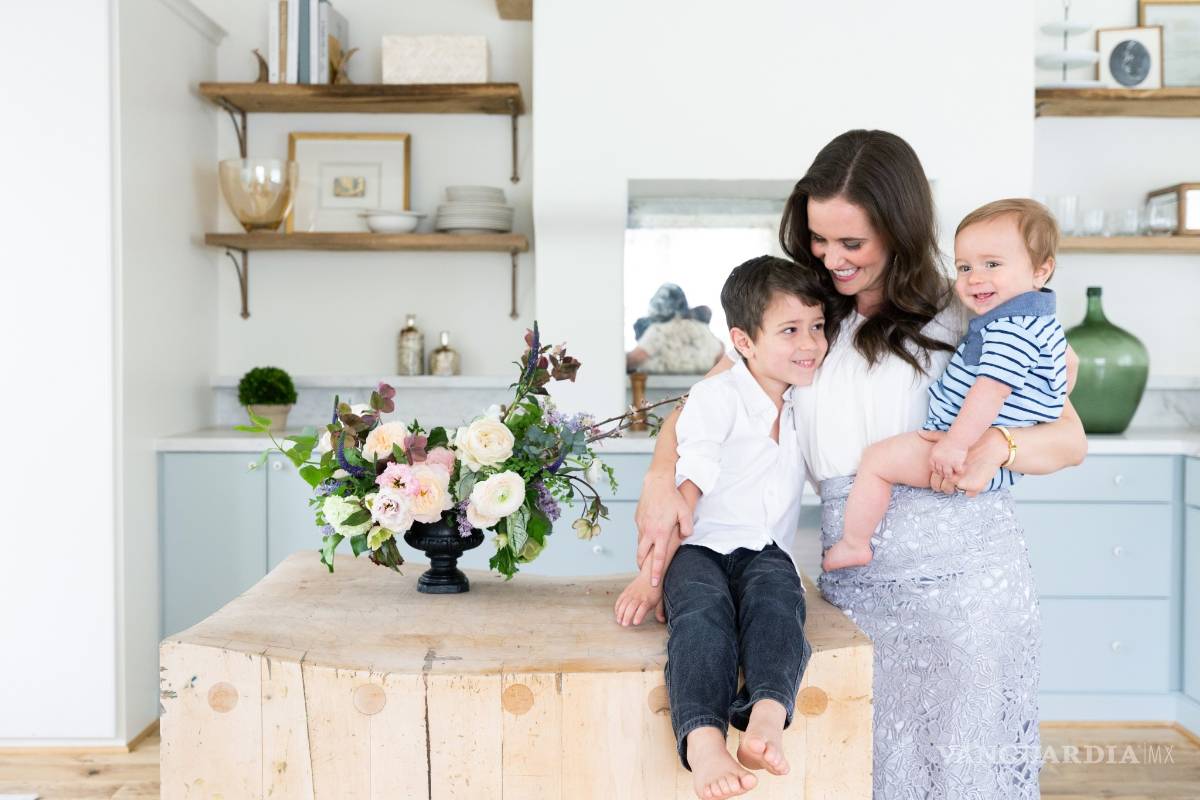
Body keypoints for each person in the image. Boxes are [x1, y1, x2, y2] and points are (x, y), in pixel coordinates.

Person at [633, 130, 1087, 799]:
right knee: (861, 768)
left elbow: (1069, 437)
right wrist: (656, 479)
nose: (832, 259)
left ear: (899, 230)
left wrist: (1001, 446)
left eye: (853, 243)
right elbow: (705, 403)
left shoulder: (971, 312)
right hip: (859, 584)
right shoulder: (802, 323)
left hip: (969, 588)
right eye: (820, 239)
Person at [615, 256, 829, 799]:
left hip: (767, 551)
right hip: (699, 548)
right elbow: (685, 496)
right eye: (789, 330)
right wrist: (652, 575)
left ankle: (766, 717)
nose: (809, 342)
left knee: (781, 603)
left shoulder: (805, 403)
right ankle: (705, 741)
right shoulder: (719, 395)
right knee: (704, 618)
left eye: (817, 326)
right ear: (743, 341)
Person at [823, 199, 1066, 571]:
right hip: (969, 451)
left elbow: (992, 389)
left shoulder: (1010, 330)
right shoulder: (1033, 324)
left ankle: (855, 543)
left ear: (1041, 271)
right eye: (964, 266)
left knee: (877, 461)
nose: (974, 278)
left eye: (992, 264)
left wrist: (956, 443)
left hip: (960, 450)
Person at [627, 283, 726, 373]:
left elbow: (634, 359)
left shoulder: (658, 330)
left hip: (660, 390)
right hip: (699, 389)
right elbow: (721, 357)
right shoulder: (702, 330)